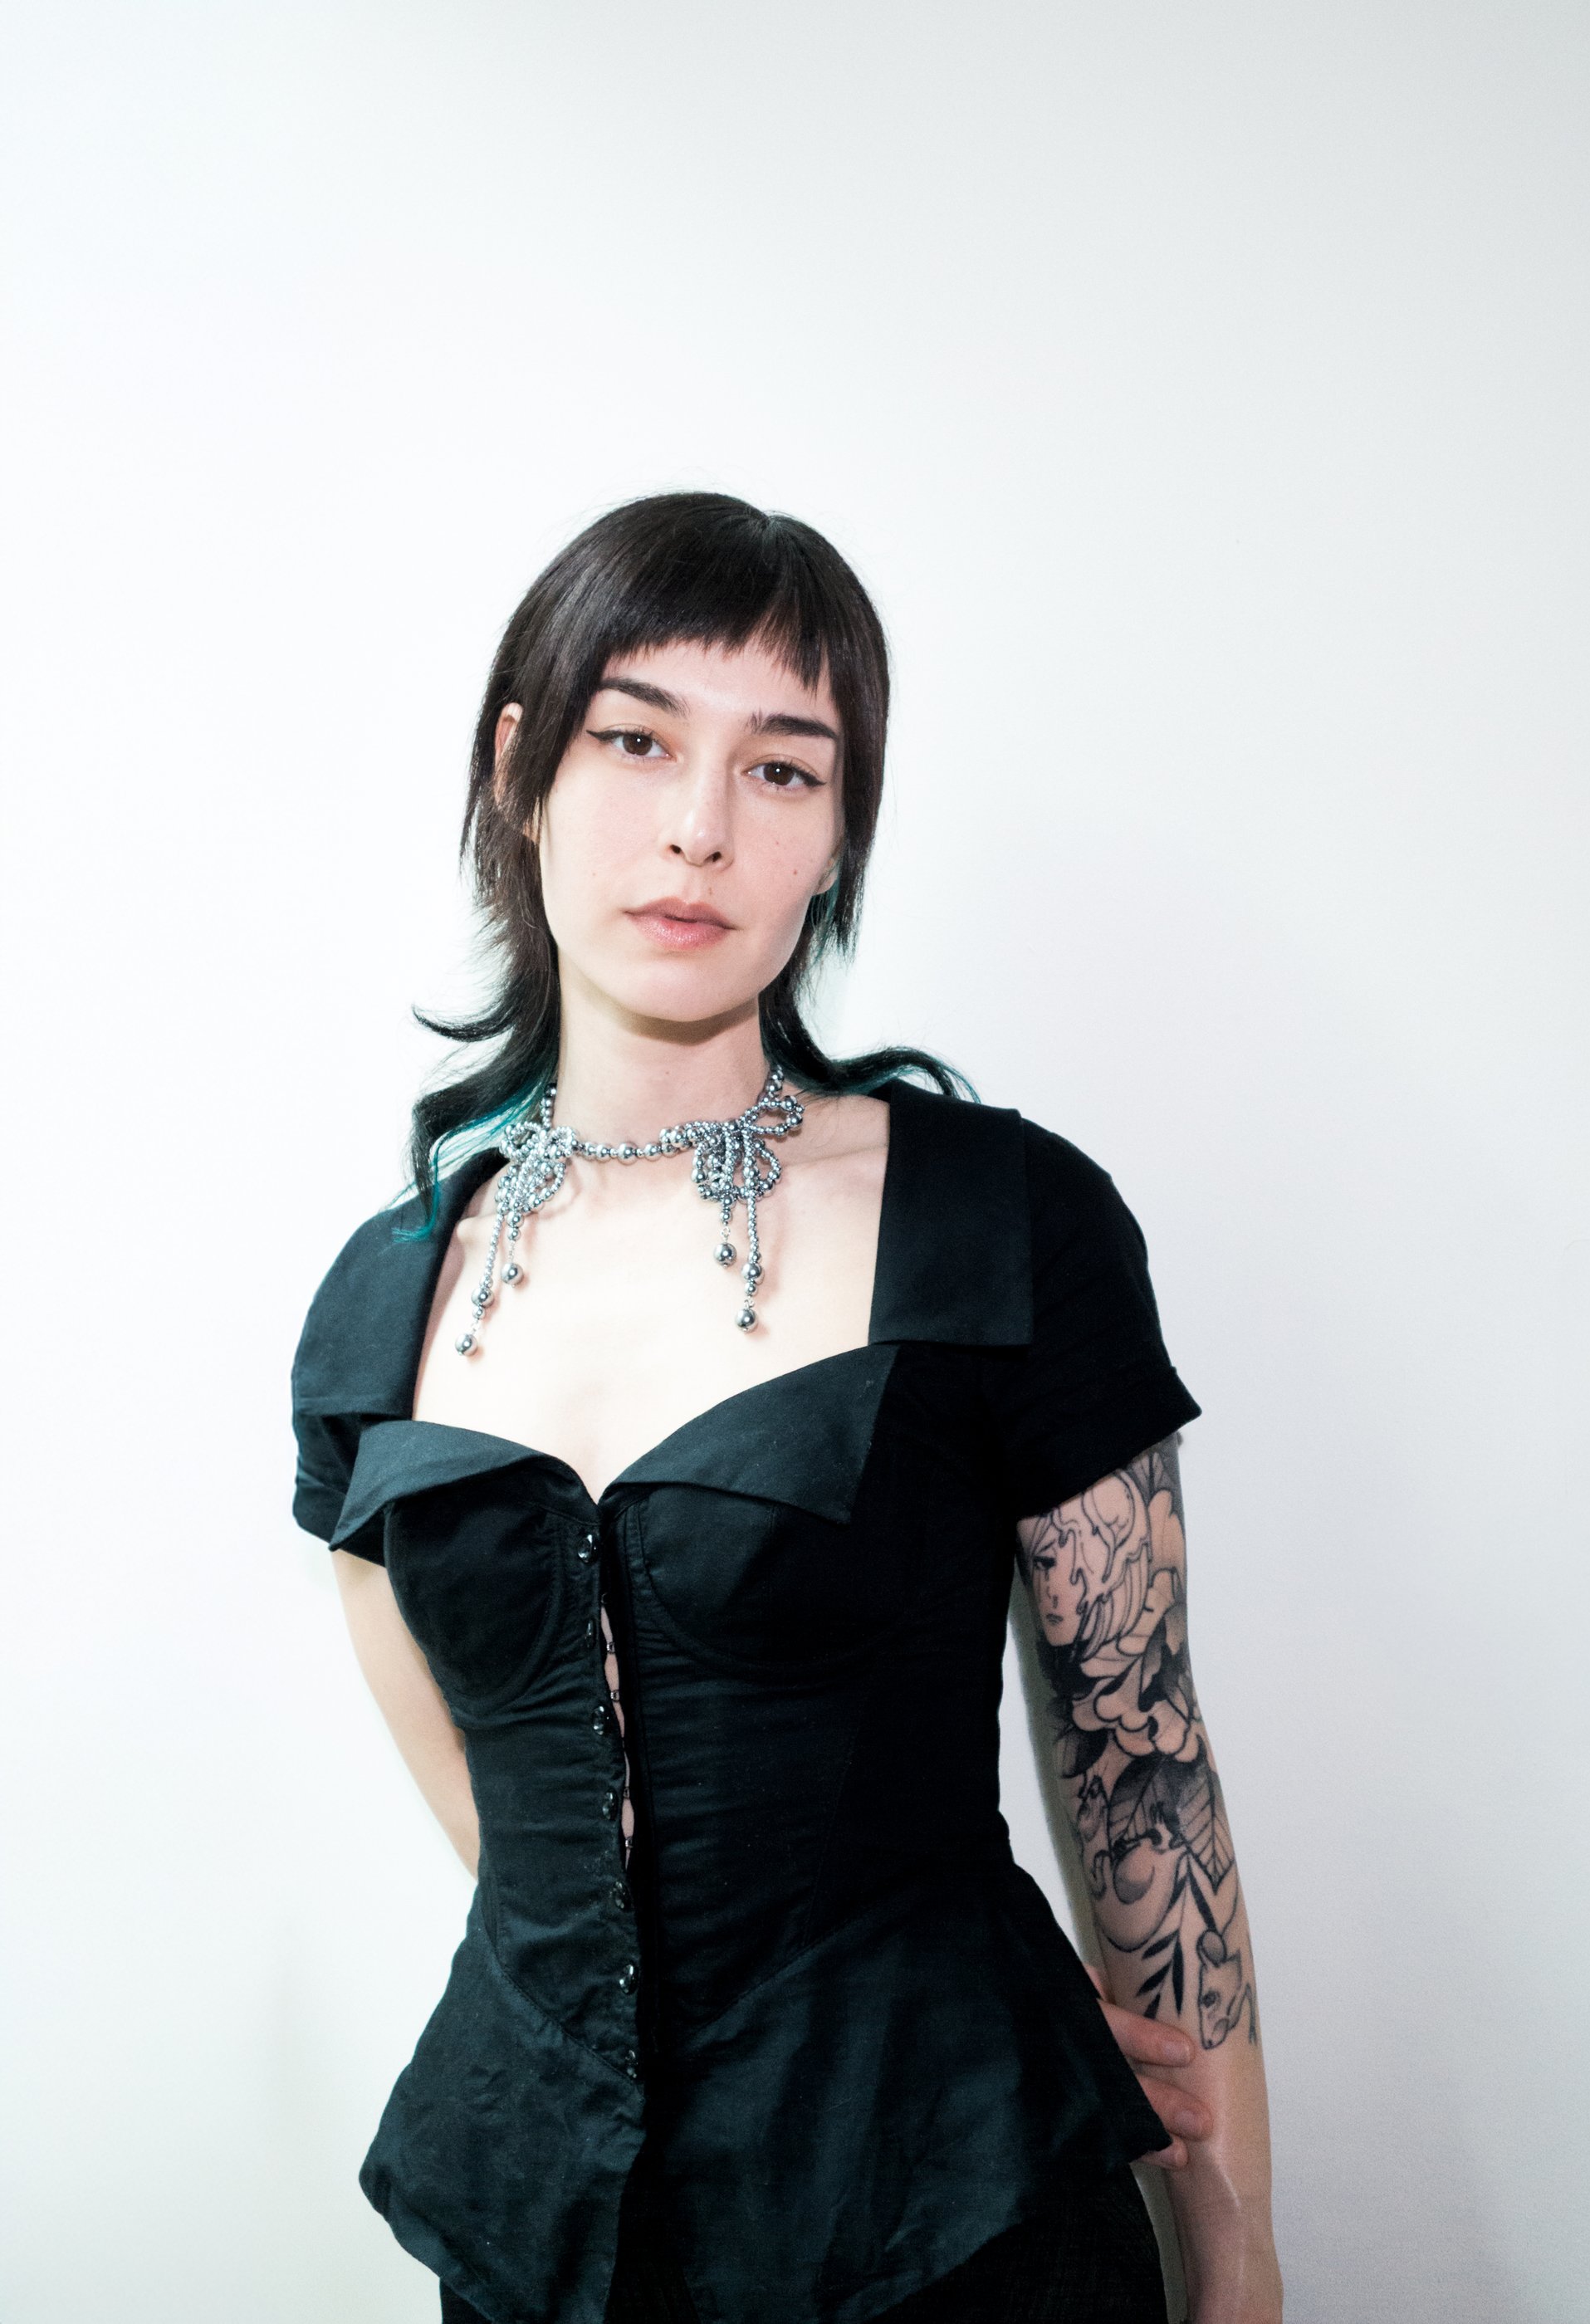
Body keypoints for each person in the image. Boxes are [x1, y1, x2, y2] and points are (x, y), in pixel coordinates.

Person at [290, 492, 1282, 2324]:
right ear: (518, 770)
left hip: (954, 2228)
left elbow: (1139, 1750)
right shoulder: (382, 1299)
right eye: (635, 739)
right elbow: (506, 1822)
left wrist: (1234, 2243)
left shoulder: (1000, 1221)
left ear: (836, 838)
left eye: (782, 769)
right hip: (548, 2241)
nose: (700, 825)